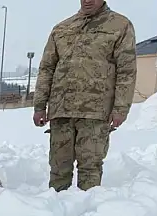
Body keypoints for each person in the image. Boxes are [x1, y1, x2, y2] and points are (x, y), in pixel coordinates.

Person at [33, 0, 136, 192]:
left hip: (95, 112)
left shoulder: (120, 25)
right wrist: (40, 106)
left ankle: (86, 215)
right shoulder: (62, 28)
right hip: (61, 110)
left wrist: (121, 108)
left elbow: (127, 70)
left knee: (90, 169)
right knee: (58, 169)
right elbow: (46, 69)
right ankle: (54, 214)